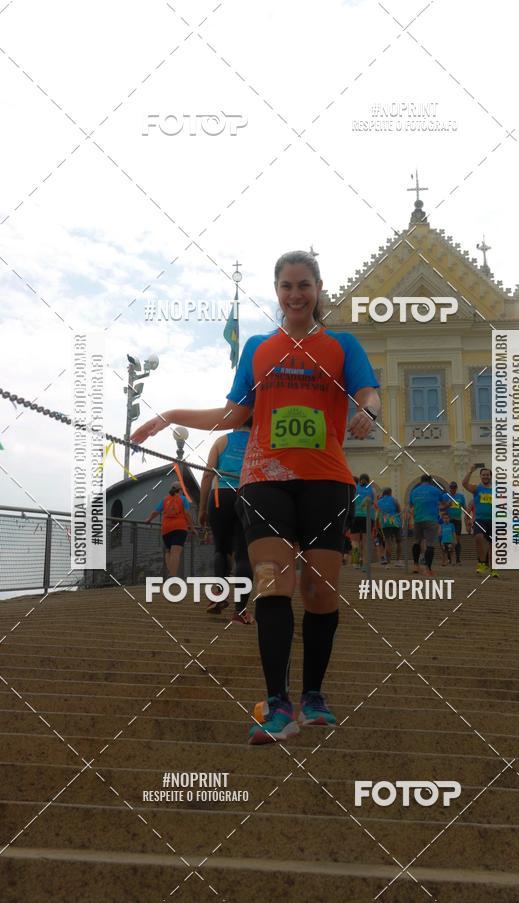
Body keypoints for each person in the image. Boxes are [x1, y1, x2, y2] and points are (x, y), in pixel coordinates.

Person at [131, 249, 380, 745]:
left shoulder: (342, 345)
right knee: (272, 586)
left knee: (320, 595)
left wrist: (369, 412)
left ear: (318, 288)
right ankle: (279, 705)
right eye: (287, 286)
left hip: (326, 481)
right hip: (263, 481)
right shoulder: (259, 350)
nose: (295, 294)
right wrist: (171, 415)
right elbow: (233, 415)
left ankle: (313, 697)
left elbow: (369, 393)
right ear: (278, 292)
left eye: (304, 285)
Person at [198, 420, 254, 622]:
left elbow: (206, 476)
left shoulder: (221, 441)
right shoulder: (260, 441)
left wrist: (202, 508)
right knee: (244, 555)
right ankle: (239, 611)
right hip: (248, 495)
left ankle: (218, 597)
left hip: (219, 497)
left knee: (221, 549)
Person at [145, 482, 197, 585]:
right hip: (179, 527)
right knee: (176, 553)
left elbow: (156, 511)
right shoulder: (183, 499)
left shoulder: (165, 499)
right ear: (180, 490)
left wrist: (149, 519)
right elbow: (187, 514)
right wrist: (192, 527)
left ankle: (171, 574)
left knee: (168, 552)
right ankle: (173, 577)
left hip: (166, 529)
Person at [408, 474, 448, 577]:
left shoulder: (414, 491)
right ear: (430, 481)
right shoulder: (435, 490)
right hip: (431, 519)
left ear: (421, 481)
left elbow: (411, 506)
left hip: (418, 519)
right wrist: (447, 505)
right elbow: (443, 503)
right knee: (430, 544)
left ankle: (416, 566)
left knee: (416, 542)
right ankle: (428, 569)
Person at [462, 465, 498, 577]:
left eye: (487, 475)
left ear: (491, 476)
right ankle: (482, 563)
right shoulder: (477, 488)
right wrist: (470, 471)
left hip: (493, 520)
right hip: (480, 519)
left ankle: (493, 569)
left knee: (492, 545)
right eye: (483, 475)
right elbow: (464, 484)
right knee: (478, 538)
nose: (485, 476)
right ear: (481, 476)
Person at [350, 474, 375, 568]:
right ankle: (365, 563)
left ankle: (355, 563)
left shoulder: (354, 488)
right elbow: (374, 503)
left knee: (355, 542)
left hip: (356, 517)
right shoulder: (372, 489)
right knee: (366, 542)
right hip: (368, 517)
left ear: (359, 480)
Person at [376, 487, 402, 564]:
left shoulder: (379, 502)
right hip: (395, 521)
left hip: (384, 522)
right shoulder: (394, 500)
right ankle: (398, 560)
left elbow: (378, 513)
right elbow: (399, 510)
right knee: (398, 541)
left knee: (387, 542)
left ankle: (388, 560)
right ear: (390, 493)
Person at [443, 481, 466, 565]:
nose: (453, 489)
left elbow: (465, 508)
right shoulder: (445, 496)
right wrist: (446, 505)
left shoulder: (461, 496)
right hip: (448, 521)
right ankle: (449, 559)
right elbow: (441, 507)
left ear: (456, 488)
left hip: (457, 520)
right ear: (449, 488)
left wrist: (467, 519)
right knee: (449, 540)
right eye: (451, 487)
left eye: (454, 487)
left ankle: (458, 558)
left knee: (457, 540)